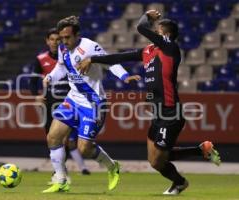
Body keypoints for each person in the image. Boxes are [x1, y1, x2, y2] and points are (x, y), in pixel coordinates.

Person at [77, 10, 221, 195]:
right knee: (155, 161)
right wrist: (93, 59)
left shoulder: (170, 48)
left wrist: (146, 16)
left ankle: (187, 171)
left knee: (161, 157)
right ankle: (196, 158)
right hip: (157, 113)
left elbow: (140, 27)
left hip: (171, 112)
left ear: (165, 34)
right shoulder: (148, 52)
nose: (154, 33)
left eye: (158, 30)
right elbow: (118, 57)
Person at [42, 16, 140, 193]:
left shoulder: (90, 46)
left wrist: (125, 76)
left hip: (94, 104)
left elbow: (110, 63)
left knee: (84, 149)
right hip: (73, 99)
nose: (64, 41)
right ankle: (61, 179)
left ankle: (112, 166)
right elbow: (61, 67)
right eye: (61, 38)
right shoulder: (63, 48)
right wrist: (50, 77)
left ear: (77, 35)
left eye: (67, 37)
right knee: (52, 137)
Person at [29, 28, 91, 180]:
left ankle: (62, 172)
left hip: (71, 100)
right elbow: (33, 81)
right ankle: (61, 171)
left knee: (68, 139)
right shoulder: (40, 59)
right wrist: (35, 96)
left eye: (58, 39)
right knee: (52, 137)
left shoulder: (72, 54)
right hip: (50, 102)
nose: (55, 42)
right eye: (52, 39)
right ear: (47, 41)